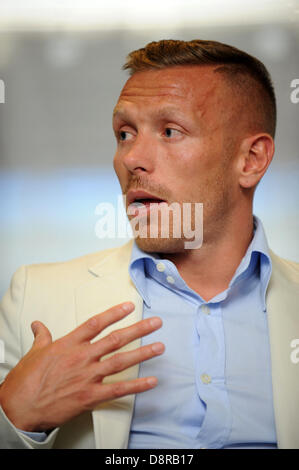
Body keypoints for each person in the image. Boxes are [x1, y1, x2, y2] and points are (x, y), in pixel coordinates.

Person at [0, 39, 298, 450]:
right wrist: (14, 416)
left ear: (251, 160)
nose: (131, 158)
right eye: (125, 133)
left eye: (170, 131)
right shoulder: (36, 298)